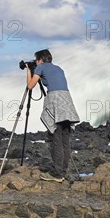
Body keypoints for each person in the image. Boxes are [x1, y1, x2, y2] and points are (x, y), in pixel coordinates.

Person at [26, 49, 79, 183]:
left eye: (36, 60)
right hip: (67, 102)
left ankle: (57, 174)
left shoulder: (41, 67)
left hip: (56, 103)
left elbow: (30, 85)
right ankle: (63, 171)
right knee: (65, 140)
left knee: (56, 140)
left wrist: (29, 71)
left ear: (39, 60)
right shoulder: (59, 69)